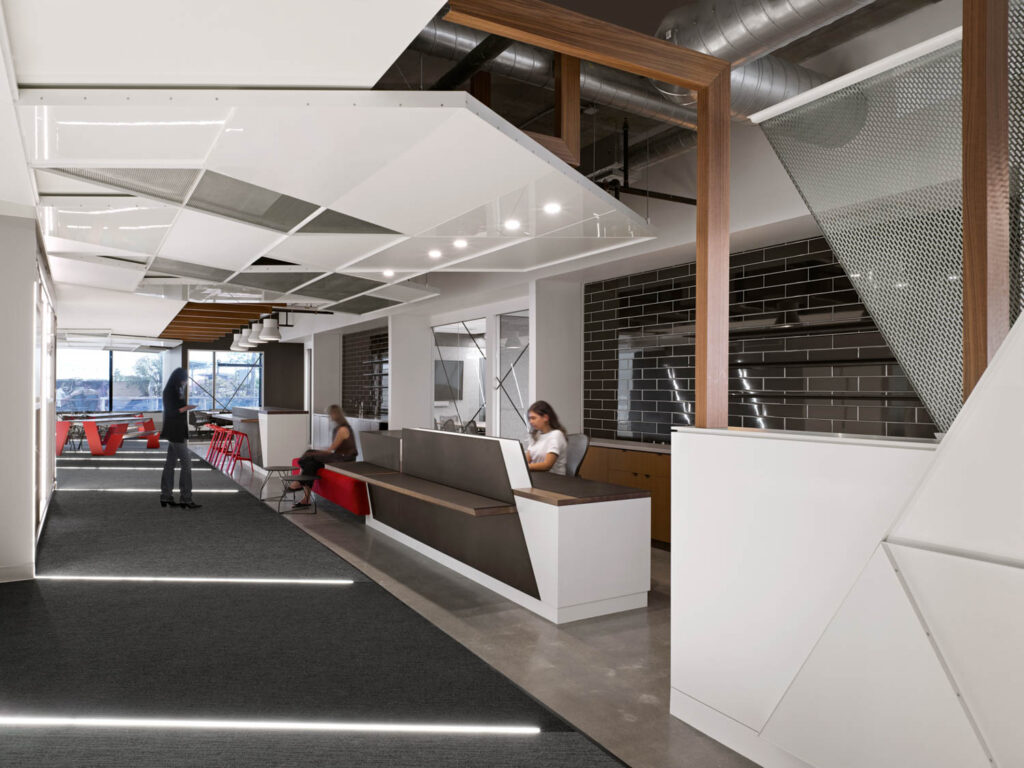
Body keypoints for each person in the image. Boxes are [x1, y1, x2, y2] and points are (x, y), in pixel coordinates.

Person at [289, 404, 357, 509]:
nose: (329, 417)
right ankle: (306, 499)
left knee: (309, 454)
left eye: (330, 414)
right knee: (310, 464)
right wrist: (316, 452)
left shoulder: (343, 429)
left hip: (345, 459)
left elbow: (331, 449)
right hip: (339, 456)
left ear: (336, 414)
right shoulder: (339, 427)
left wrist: (316, 453)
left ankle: (300, 481)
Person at [159, 367, 200, 509]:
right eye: (184, 379)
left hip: (176, 431)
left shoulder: (176, 389)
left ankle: (166, 496)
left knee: (170, 464)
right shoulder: (171, 391)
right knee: (187, 464)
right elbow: (172, 411)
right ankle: (186, 498)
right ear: (179, 379)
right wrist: (187, 407)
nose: (185, 382)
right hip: (175, 431)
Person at [525, 400, 568, 475]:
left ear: (545, 417)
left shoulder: (556, 435)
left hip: (554, 479)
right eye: (529, 419)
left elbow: (547, 465)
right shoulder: (536, 435)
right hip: (538, 476)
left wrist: (525, 467)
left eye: (533, 418)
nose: (530, 422)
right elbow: (527, 460)